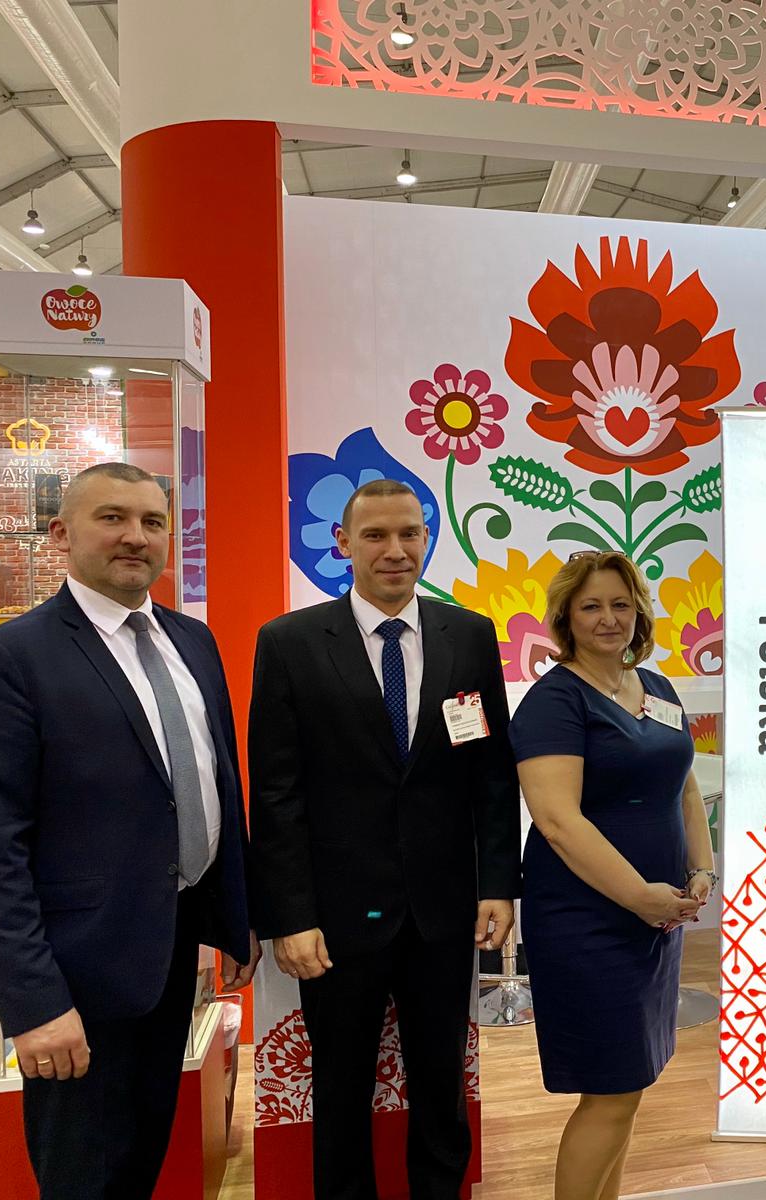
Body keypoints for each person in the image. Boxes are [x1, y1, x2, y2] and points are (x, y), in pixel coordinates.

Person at [0, 462, 257, 1199]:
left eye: (152, 522)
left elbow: (215, 785)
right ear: (61, 534)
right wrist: (35, 1004)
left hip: (169, 954)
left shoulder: (193, 642)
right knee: (83, 1177)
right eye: (113, 518)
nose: (136, 537)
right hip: (74, 975)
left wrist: (235, 918)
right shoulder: (7, 658)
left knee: (139, 1160)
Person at [248, 479, 521, 1200]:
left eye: (409, 533)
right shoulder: (289, 643)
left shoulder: (468, 635)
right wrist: (290, 914)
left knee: (441, 1079)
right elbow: (275, 793)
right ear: (344, 543)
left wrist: (499, 882)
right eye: (375, 535)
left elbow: (491, 773)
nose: (395, 550)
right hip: (337, 919)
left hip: (443, 910)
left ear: (426, 538)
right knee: (341, 1087)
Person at [509, 550, 714, 1200]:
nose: (608, 618)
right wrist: (640, 898)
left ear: (638, 612)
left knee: (629, 1085)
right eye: (591, 606)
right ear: (566, 616)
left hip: (656, 919)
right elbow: (558, 821)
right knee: (608, 1092)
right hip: (588, 920)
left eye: (620, 604)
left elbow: (684, 786)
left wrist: (702, 867)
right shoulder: (553, 702)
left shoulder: (656, 688)